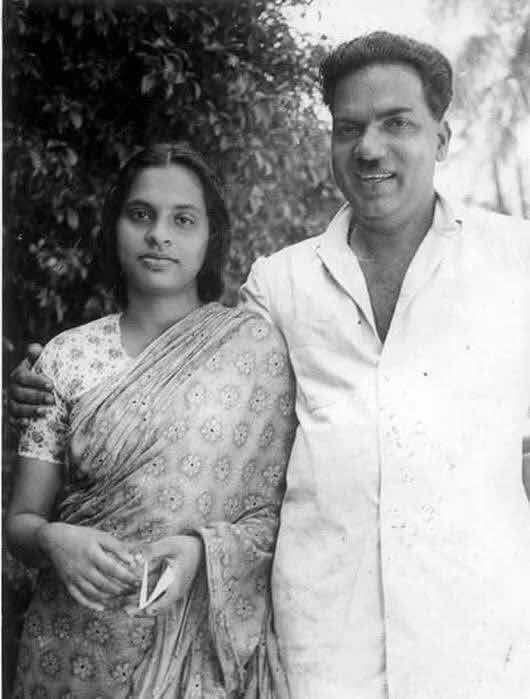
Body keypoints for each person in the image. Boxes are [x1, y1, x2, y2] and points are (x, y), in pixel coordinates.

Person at [9, 31, 530, 699]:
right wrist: (42, 388)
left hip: (479, 644)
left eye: (397, 123)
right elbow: (187, 386)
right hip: (324, 655)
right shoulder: (281, 286)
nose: (370, 148)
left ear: (443, 137)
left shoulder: (515, 262)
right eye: (349, 128)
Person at [6, 142, 294, 699]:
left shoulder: (256, 351)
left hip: (196, 653)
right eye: (141, 214)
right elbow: (20, 524)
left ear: (211, 237)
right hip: (70, 654)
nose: (159, 234)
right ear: (114, 227)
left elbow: (277, 515)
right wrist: (53, 539)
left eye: (183, 219)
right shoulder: (66, 357)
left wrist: (200, 552)